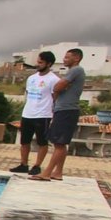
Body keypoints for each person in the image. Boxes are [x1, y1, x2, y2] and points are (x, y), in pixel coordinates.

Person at [31, 48, 85, 181]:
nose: (64, 60)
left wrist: (57, 90)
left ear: (76, 58)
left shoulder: (76, 70)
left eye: (67, 57)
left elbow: (57, 86)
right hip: (63, 109)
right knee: (60, 143)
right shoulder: (72, 71)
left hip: (67, 110)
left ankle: (47, 172)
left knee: (59, 142)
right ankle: (58, 172)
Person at [9, 51, 60, 176]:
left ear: (49, 64)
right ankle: (24, 164)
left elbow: (55, 97)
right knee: (24, 141)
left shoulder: (54, 80)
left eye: (41, 62)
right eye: (38, 62)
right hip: (28, 113)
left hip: (43, 115)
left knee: (42, 142)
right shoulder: (31, 78)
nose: (38, 64)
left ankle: (37, 165)